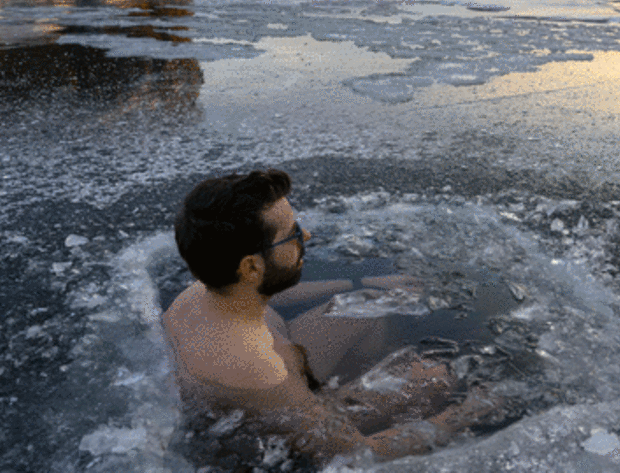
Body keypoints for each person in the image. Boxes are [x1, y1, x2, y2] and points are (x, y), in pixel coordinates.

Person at [161, 169, 499, 465]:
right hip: (277, 427)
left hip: (283, 358)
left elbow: (272, 293)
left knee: (366, 307)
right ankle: (395, 394)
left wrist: (361, 281)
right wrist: (466, 413)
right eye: (292, 235)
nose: (306, 236)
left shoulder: (202, 292)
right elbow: (356, 455)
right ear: (251, 266)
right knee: (435, 378)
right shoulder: (262, 372)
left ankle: (366, 381)